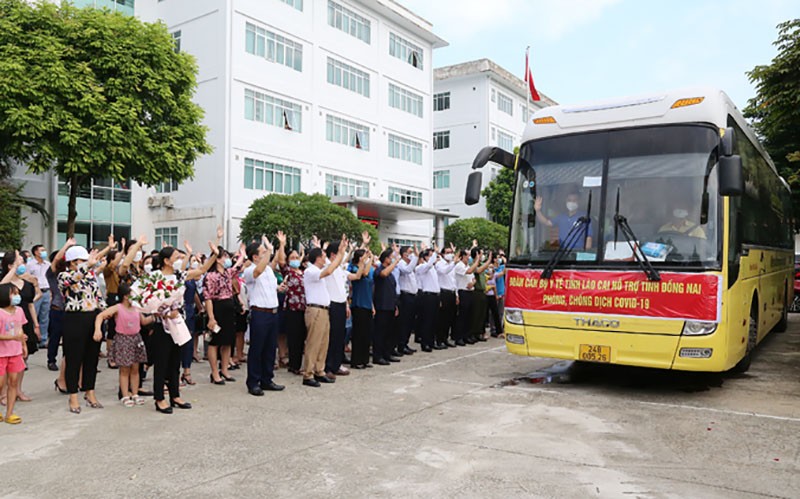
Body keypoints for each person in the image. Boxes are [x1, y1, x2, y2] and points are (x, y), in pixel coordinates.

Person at [150, 236, 218, 414]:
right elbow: (146, 300)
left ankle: (175, 394)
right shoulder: (154, 277)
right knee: (162, 361)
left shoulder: (179, 274)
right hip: (161, 323)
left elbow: (201, 270)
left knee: (175, 360)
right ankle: (159, 398)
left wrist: (214, 254)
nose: (179, 260)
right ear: (166, 260)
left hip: (178, 322)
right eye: (176, 257)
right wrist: (164, 311)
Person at [57, 245, 106, 414]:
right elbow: (72, 280)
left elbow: (98, 296)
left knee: (92, 358)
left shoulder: (91, 276)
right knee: (74, 359)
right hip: (74, 319)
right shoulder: (64, 276)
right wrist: (88, 265)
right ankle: (73, 396)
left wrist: (105, 312)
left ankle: (90, 392)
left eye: (86, 261)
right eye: (82, 261)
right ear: (72, 262)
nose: (85, 263)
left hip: (93, 318)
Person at [94, 282, 153, 407]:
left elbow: (144, 321)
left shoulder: (137, 308)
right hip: (123, 339)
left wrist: (155, 315)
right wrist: (97, 330)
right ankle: (125, 395)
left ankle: (135, 393)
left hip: (136, 339)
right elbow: (100, 315)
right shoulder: (118, 308)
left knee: (136, 368)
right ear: (126, 296)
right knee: (124, 369)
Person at [243, 232, 287, 396]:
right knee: (257, 349)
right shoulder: (250, 270)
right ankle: (253, 382)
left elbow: (277, 261)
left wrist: (281, 245)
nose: (266, 255)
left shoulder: (269, 270)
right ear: (255, 257)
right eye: (262, 253)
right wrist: (269, 249)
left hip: (273, 312)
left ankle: (267, 379)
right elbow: (257, 272)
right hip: (260, 313)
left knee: (270, 348)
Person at [302, 235, 347, 387]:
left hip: (324, 310)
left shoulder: (318, 270)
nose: (324, 259)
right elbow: (329, 270)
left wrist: (341, 253)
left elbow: (333, 267)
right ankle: (308, 374)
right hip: (315, 310)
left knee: (323, 343)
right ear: (317, 258)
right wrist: (340, 253)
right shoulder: (311, 271)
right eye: (322, 257)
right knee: (313, 343)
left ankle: (319, 370)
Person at [1, 251, 40, 404]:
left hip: (23, 322)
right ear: (10, 265)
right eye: (19, 262)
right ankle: (4, 393)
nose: (22, 265)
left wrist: (36, 325)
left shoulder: (27, 284)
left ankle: (17, 390)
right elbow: (1, 286)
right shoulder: (5, 283)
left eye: (23, 262)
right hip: (5, 324)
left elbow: (30, 305)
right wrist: (12, 271)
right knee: (4, 360)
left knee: (22, 358)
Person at [204, 245, 245, 385]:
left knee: (228, 341)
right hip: (217, 308)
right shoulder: (210, 276)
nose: (227, 259)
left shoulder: (227, 273)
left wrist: (242, 254)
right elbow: (208, 298)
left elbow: (238, 266)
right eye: (224, 257)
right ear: (217, 259)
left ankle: (225, 369)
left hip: (229, 307)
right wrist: (211, 317)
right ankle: (214, 372)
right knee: (215, 341)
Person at [323, 240, 353, 379]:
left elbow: (343, 289)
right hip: (332, 305)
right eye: (340, 253)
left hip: (341, 304)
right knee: (331, 337)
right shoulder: (327, 265)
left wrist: (346, 304)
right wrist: (342, 250)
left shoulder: (340, 269)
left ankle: (336, 365)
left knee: (339, 337)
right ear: (333, 255)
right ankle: (328, 366)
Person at [0, 283, 27, 424]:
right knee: (0, 383)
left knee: (13, 382)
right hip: (1, 353)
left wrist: (23, 344)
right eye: (13, 293)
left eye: (17, 293)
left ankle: (9, 413)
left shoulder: (19, 311)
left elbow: (20, 328)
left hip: (15, 352)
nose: (17, 296)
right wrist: (13, 338)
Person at [373, 248, 400, 365]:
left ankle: (387, 354)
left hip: (390, 305)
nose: (392, 259)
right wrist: (395, 263)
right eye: (390, 257)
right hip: (381, 306)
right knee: (380, 332)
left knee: (389, 332)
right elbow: (383, 274)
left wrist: (395, 306)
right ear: (385, 259)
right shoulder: (380, 269)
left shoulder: (391, 274)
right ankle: (377, 356)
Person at [348, 248, 374, 369]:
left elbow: (370, 286)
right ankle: (356, 360)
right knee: (358, 334)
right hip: (358, 304)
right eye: (364, 256)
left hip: (368, 304)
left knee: (367, 334)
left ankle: (364, 359)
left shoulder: (369, 268)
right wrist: (367, 261)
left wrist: (372, 305)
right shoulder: (354, 268)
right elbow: (364, 273)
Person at [415, 247, 441, 352]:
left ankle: (431, 341)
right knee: (427, 320)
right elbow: (429, 264)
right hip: (427, 296)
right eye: (430, 255)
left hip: (435, 295)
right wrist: (435, 252)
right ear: (426, 257)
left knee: (434, 320)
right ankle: (425, 343)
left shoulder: (433, 269)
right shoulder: (421, 267)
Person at [454, 248, 480, 346]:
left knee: (469, 315)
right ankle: (459, 337)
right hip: (462, 292)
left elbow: (473, 278)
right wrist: (477, 261)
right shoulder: (459, 266)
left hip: (470, 291)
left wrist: (472, 283)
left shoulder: (468, 265)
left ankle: (466, 335)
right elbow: (469, 271)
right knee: (462, 316)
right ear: (463, 256)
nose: (469, 258)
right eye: (468, 256)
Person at [395, 245, 418, 356]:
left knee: (410, 321)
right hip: (405, 296)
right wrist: (415, 257)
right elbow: (407, 270)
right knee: (404, 321)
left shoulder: (410, 264)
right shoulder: (401, 264)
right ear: (404, 254)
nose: (412, 254)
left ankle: (405, 343)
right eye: (410, 252)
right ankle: (401, 344)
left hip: (412, 296)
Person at [27, 244, 51, 349]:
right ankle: (34, 339)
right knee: (34, 316)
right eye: (42, 250)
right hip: (36, 292)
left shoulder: (48, 264)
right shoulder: (30, 264)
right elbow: (26, 278)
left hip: (46, 291)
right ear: (36, 252)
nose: (44, 252)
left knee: (44, 317)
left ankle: (43, 340)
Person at [435, 244, 457, 349]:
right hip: (443, 292)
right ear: (443, 254)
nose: (450, 255)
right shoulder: (440, 263)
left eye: (451, 252)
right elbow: (444, 271)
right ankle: (439, 340)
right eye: (447, 253)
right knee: (442, 318)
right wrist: (453, 262)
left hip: (451, 292)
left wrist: (456, 294)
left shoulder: (452, 265)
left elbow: (454, 281)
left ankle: (445, 338)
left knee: (450, 317)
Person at [469, 248, 493, 343]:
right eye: (481, 254)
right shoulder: (472, 265)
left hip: (483, 292)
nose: (482, 256)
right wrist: (488, 261)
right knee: (476, 314)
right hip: (476, 292)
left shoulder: (482, 265)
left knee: (482, 315)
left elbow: (487, 270)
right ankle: (474, 333)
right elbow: (478, 271)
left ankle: (479, 333)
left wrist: (488, 262)